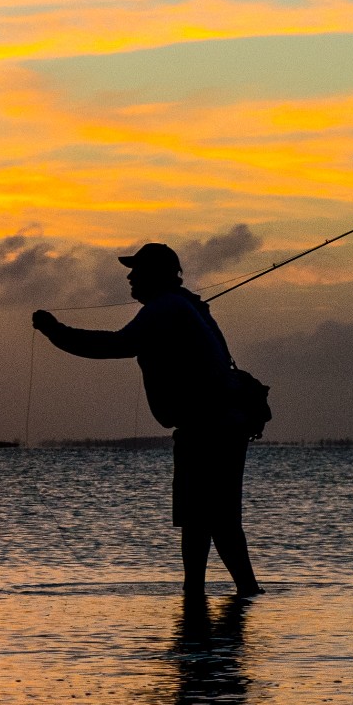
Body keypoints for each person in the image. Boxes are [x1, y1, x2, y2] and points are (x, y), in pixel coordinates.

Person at [33, 243, 262, 597]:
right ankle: (223, 597)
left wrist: (55, 332)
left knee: (209, 521)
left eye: (136, 270)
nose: (129, 276)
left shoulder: (166, 308)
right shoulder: (183, 306)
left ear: (155, 275)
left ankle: (214, 597)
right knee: (210, 521)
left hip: (208, 428)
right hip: (221, 425)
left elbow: (114, 345)